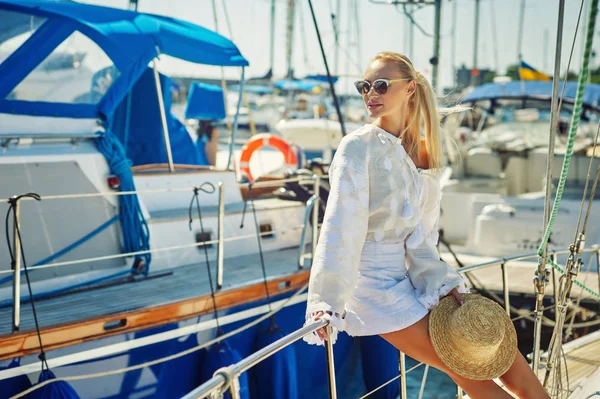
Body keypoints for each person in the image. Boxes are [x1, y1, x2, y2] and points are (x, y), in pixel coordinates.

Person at [303, 52, 549, 399]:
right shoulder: (357, 147)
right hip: (371, 289)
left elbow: (422, 237)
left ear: (410, 90)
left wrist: (439, 283)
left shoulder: (423, 150)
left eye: (381, 85)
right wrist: (326, 301)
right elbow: (341, 225)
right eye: (364, 86)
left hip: (415, 281)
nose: (370, 93)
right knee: (466, 371)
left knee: (507, 358)